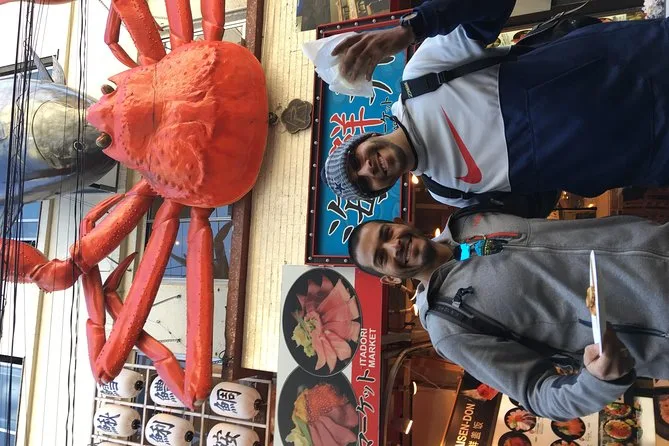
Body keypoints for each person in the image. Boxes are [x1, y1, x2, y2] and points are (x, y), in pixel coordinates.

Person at [322, 0, 669, 207]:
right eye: (363, 183)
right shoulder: (446, 192)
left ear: (364, 138)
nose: (367, 169)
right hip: (650, 153)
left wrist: (413, 27)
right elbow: (533, 205)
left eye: (355, 160)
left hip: (641, 64)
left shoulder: (419, 79)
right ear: (381, 190)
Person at [347, 212, 669, 420]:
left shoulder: (468, 221)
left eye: (387, 233)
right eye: (381, 257)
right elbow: (536, 393)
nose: (394, 246)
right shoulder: (447, 327)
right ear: (388, 279)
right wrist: (596, 381)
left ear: (399, 221)